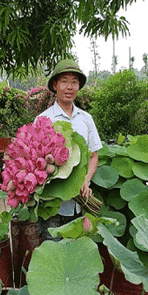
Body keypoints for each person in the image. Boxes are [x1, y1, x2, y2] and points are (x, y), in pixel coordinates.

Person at [36, 59, 103, 226]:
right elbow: (36, 161)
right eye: (64, 81)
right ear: (54, 85)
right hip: (52, 205)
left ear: (79, 86)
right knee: (52, 250)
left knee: (78, 249)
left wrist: (86, 179)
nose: (69, 87)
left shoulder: (86, 119)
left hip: (80, 207)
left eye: (74, 82)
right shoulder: (43, 119)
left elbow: (94, 155)